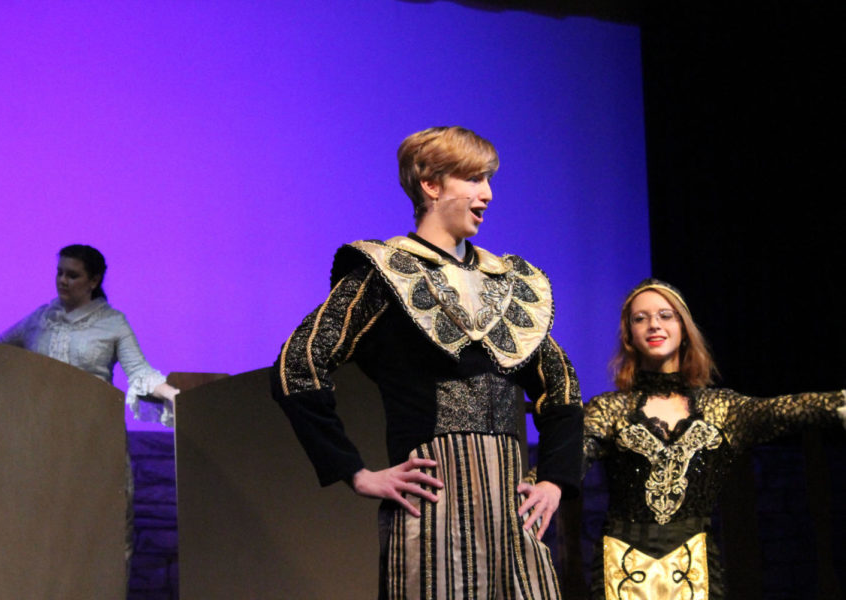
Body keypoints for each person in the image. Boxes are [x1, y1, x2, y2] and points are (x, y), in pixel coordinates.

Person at [271, 126, 583, 599]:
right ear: (431, 185)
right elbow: (298, 364)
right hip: (434, 511)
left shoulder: (508, 286)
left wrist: (556, 481)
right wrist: (356, 472)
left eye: (489, 179)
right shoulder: (384, 276)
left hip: (509, 515)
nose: (488, 194)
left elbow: (560, 388)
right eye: (474, 179)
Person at [583, 278, 846, 599]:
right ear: (629, 336)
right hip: (621, 572)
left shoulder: (721, 408)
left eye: (666, 315)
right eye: (641, 318)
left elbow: (793, 409)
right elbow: (571, 457)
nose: (654, 324)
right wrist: (545, 483)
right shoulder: (610, 409)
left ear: (683, 328)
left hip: (695, 570)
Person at [0, 244, 178, 424]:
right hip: (41, 425)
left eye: (73, 275)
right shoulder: (40, 318)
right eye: (60, 273)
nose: (63, 281)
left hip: (92, 427)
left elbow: (139, 371)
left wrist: (171, 394)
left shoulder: (112, 322)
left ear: (94, 281)